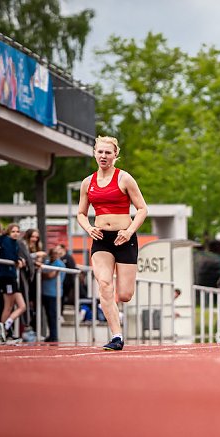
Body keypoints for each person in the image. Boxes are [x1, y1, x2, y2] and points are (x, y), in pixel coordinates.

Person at [76, 135, 149, 351]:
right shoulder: (87, 182)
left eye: (108, 152)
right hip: (101, 240)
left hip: (124, 238)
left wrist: (129, 231)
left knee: (124, 295)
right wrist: (89, 228)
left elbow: (142, 209)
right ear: (94, 153)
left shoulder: (125, 179)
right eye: (100, 152)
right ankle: (116, 336)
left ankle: (117, 314)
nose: (103, 156)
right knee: (105, 285)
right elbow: (80, 213)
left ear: (115, 155)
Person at [0, 223, 27, 341]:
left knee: (22, 306)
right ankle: (3, 328)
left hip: (12, 277)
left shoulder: (14, 243)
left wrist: (19, 259)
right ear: (9, 232)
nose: (16, 233)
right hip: (6, 276)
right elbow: (9, 256)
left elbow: (13, 256)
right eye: (13, 231)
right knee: (8, 306)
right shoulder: (6, 240)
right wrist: (17, 260)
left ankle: (5, 325)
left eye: (17, 231)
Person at [37, 245, 67, 342]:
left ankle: (54, 336)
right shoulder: (48, 262)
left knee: (52, 315)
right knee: (48, 315)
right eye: (52, 254)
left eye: (55, 254)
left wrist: (41, 273)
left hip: (54, 294)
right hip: (46, 292)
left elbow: (50, 275)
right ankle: (51, 335)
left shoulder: (59, 264)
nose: (53, 255)